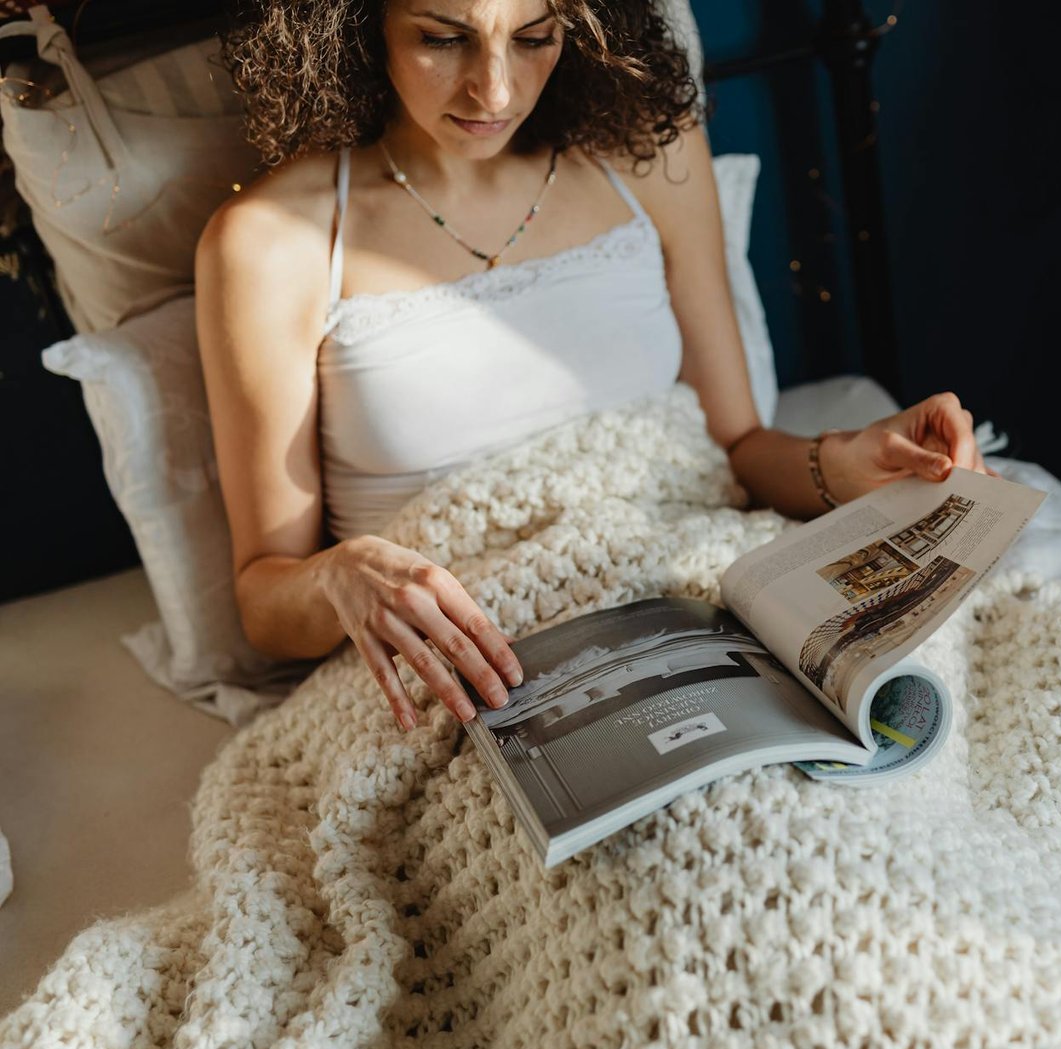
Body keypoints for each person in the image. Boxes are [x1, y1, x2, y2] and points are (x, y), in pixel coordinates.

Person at [196, 0, 987, 734]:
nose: (496, 88)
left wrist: (844, 461)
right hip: (480, 673)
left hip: (704, 594)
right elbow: (266, 601)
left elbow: (738, 450)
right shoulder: (271, 241)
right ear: (355, 24)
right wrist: (344, 574)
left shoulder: (650, 154)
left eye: (535, 36)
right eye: (443, 39)